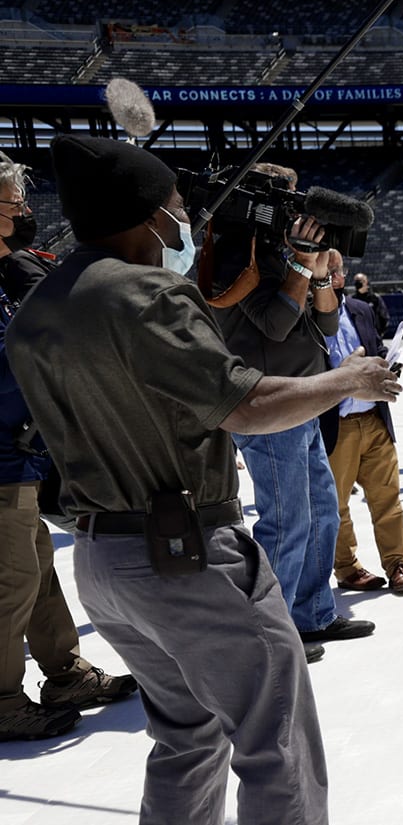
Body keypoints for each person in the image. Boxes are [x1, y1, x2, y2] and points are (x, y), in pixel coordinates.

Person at [7, 134, 400, 823]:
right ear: (146, 213)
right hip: (184, 554)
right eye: (177, 204)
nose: (185, 216)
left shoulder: (41, 304)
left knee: (186, 735)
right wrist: (351, 377)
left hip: (103, 563)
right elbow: (243, 404)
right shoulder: (146, 292)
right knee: (275, 739)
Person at [210, 162, 374, 656]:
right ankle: (272, 631)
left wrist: (317, 273)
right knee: (287, 519)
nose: (293, 206)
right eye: (282, 194)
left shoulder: (285, 250)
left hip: (305, 396)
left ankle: (312, 615)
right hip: (268, 403)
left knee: (324, 511)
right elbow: (277, 325)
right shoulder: (234, 251)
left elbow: (324, 329)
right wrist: (302, 264)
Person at [0, 155, 137, 741]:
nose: (23, 214)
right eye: (13, 204)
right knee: (9, 583)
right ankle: (3, 700)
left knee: (35, 571)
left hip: (20, 455)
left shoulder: (8, 272)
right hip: (1, 460)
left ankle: (64, 672)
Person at [319, 249, 403, 594]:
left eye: (335, 269)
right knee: (337, 504)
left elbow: (374, 352)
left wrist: (388, 368)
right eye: (324, 268)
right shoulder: (305, 315)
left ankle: (397, 564)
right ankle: (347, 568)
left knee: (387, 498)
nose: (331, 275)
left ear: (343, 275)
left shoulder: (360, 310)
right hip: (337, 424)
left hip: (374, 420)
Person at [352, 271, 390, 338]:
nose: (358, 283)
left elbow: (384, 316)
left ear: (366, 282)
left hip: (374, 334)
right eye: (356, 281)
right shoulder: (352, 300)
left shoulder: (375, 298)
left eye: (361, 281)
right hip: (358, 336)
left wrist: (380, 333)